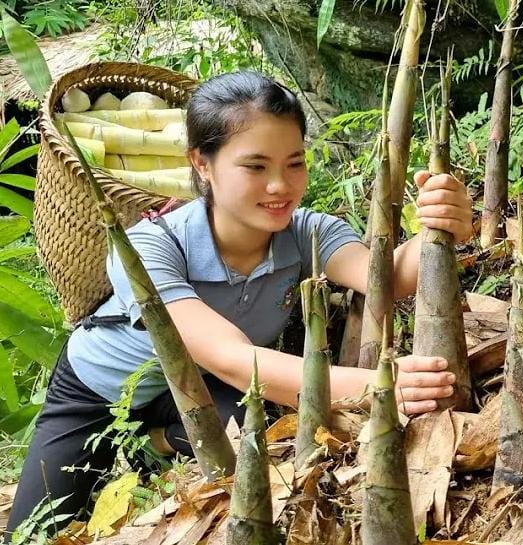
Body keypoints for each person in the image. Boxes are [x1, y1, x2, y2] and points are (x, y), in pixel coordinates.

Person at [5, 71, 473, 539]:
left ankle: (158, 444)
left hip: (202, 390)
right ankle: (142, 438)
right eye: (255, 167)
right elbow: (230, 358)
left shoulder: (307, 230)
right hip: (98, 393)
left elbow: (386, 279)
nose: (280, 186)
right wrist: (377, 385)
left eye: (294, 163)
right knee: (34, 529)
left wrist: (445, 221)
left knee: (264, 424)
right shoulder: (150, 247)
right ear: (202, 163)